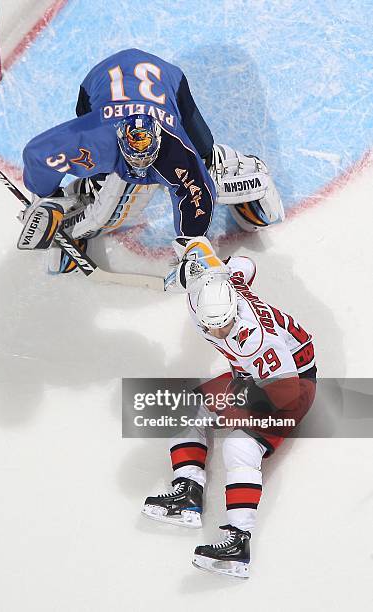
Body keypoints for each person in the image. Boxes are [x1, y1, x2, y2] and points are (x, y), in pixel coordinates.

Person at [19, 49, 284, 273]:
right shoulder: (93, 138)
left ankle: (251, 171)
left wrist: (191, 245)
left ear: (160, 138)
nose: (141, 167)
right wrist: (47, 197)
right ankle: (89, 192)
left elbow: (197, 194)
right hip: (98, 81)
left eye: (148, 155)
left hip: (168, 80)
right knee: (101, 181)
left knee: (206, 158)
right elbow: (38, 155)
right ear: (119, 139)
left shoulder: (176, 147)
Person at [142, 237, 316, 577]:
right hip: (251, 375)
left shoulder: (256, 340)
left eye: (225, 323)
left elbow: (285, 394)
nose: (219, 331)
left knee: (239, 447)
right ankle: (187, 492)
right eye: (212, 326)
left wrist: (240, 406)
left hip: (290, 383)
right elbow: (244, 265)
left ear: (235, 309)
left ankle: (239, 540)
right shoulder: (207, 293)